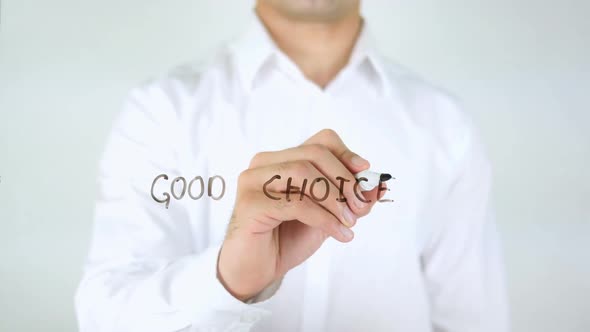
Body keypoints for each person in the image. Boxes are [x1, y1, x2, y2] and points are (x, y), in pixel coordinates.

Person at [75, 1, 509, 331]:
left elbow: (474, 322)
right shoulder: (161, 111)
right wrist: (228, 278)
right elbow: (106, 315)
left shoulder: (447, 125)